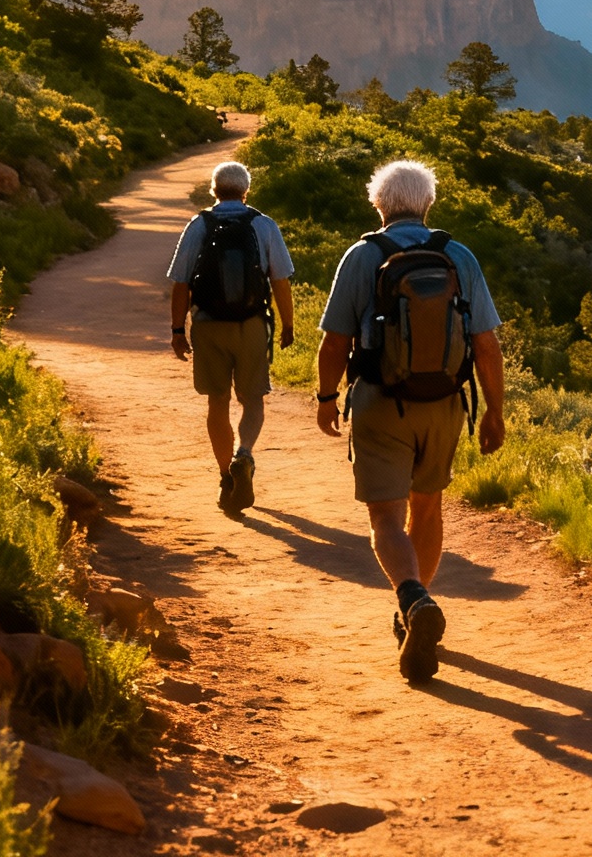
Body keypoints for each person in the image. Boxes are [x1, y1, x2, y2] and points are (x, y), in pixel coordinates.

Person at [314, 159, 506, 683]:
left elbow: (335, 341)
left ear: (379, 205)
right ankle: (415, 608)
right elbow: (486, 345)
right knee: (429, 506)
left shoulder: (362, 256)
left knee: (384, 520)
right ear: (428, 205)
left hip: (380, 403)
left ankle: (412, 599)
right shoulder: (458, 256)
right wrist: (494, 411)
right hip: (445, 404)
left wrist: (327, 397)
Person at [167, 160, 295, 517]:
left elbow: (180, 283)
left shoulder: (199, 224)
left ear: (214, 190)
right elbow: (280, 280)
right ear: (246, 190)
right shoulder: (263, 225)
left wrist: (178, 330)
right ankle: (245, 454)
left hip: (208, 325)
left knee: (217, 402)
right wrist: (287, 325)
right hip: (252, 323)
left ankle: (226, 477)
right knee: (253, 399)